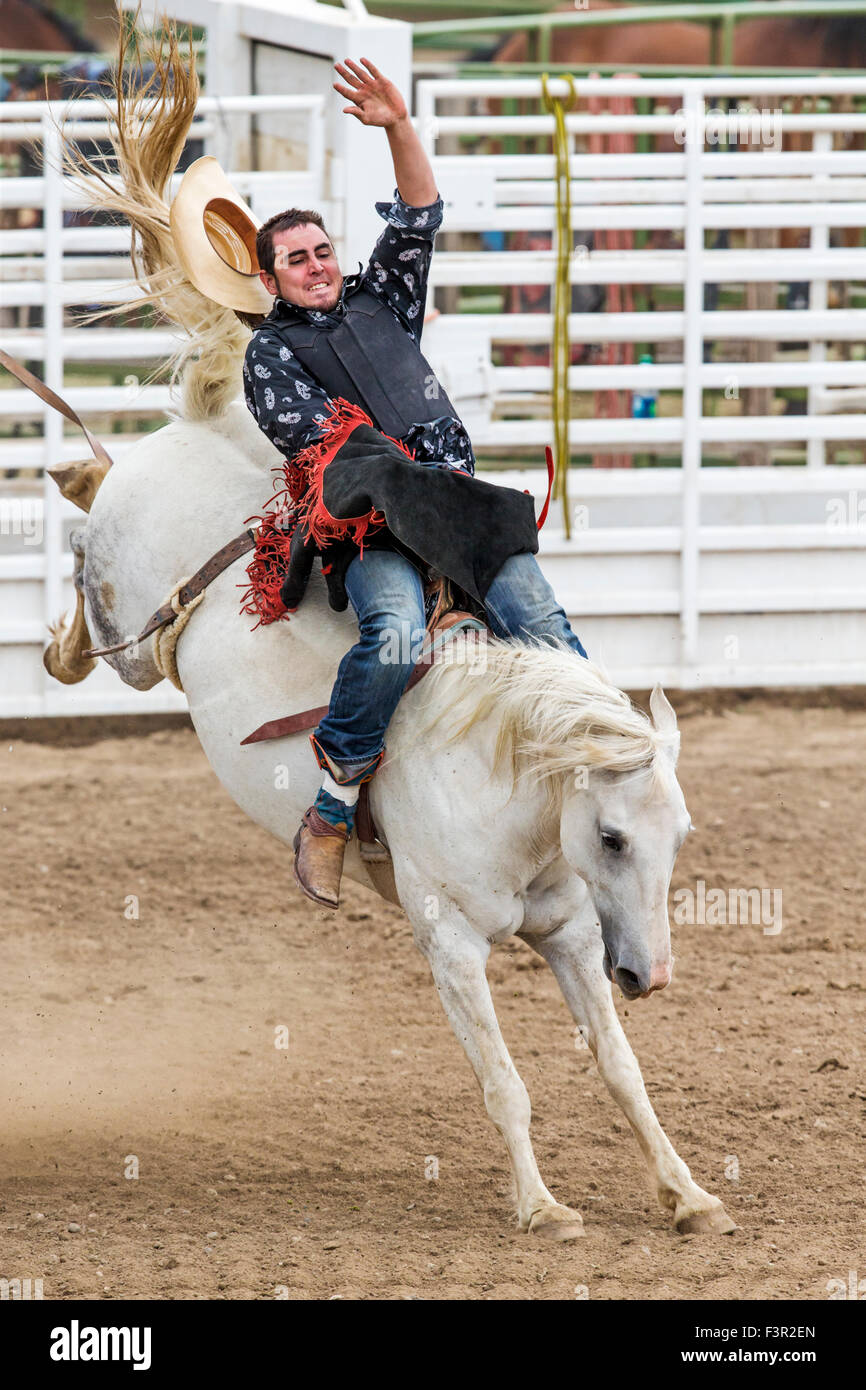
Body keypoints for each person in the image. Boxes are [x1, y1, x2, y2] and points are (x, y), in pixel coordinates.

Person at [243, 57, 587, 910]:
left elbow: (419, 217)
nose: (317, 265)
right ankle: (334, 805)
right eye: (297, 259)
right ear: (270, 279)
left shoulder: (382, 300)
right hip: (372, 521)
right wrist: (410, 484)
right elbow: (321, 444)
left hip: (454, 502)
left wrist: (399, 127)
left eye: (323, 250)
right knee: (393, 631)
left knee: (546, 626)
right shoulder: (269, 353)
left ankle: (597, 775)